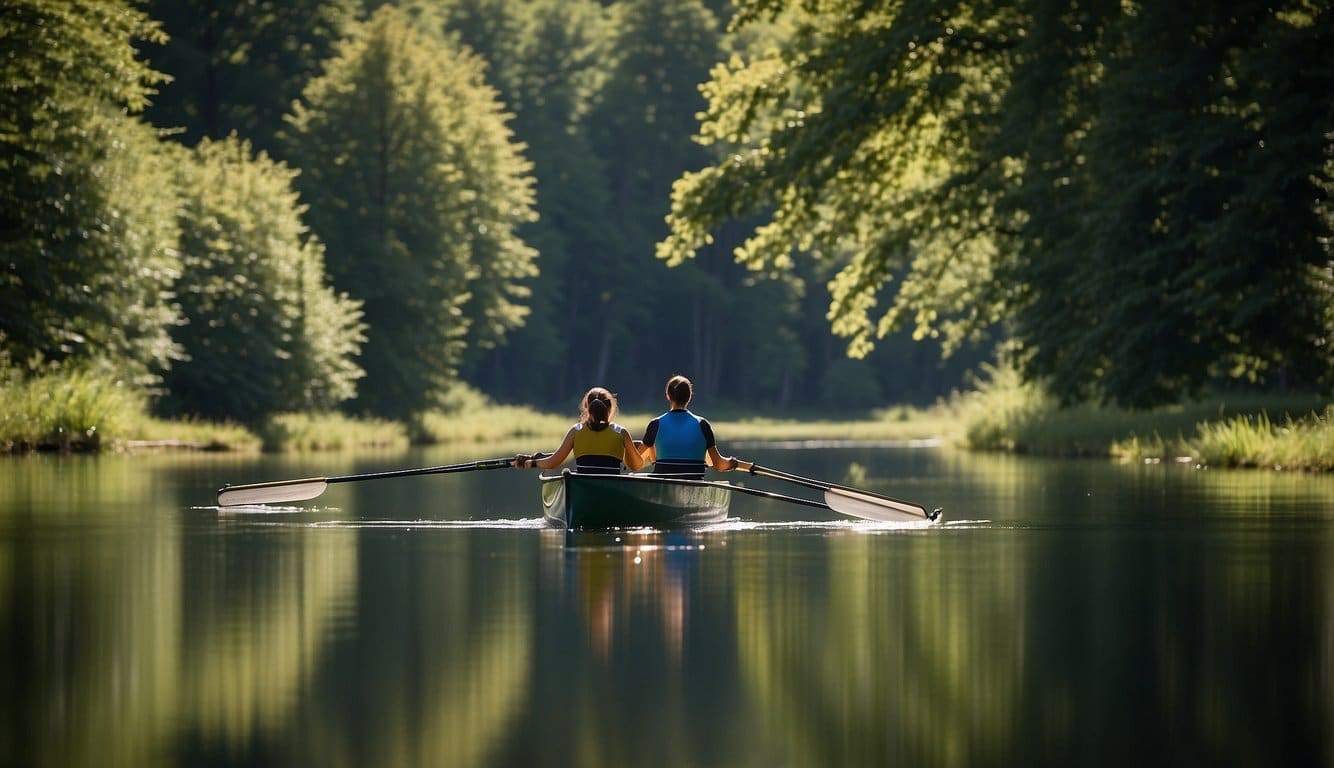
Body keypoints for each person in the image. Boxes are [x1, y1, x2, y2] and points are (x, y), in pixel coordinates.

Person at [637, 374, 750, 479]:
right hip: (694, 481)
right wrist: (732, 463)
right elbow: (719, 465)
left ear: (668, 396)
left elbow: (635, 458)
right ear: (690, 396)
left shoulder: (655, 424)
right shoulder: (702, 424)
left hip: (662, 482)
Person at [514, 387, 645, 474]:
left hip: (583, 485)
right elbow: (637, 466)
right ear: (610, 408)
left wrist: (531, 463)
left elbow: (553, 462)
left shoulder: (576, 431)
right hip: (611, 486)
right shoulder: (621, 432)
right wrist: (629, 449)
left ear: (587, 407)